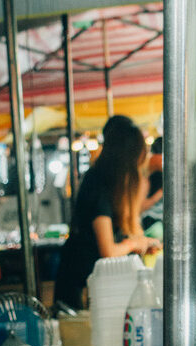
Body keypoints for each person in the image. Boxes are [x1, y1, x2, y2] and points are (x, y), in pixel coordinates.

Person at [51, 115, 161, 309]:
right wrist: (133, 243)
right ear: (127, 159)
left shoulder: (112, 186)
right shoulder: (98, 184)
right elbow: (108, 250)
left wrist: (139, 243)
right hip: (82, 285)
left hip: (99, 285)